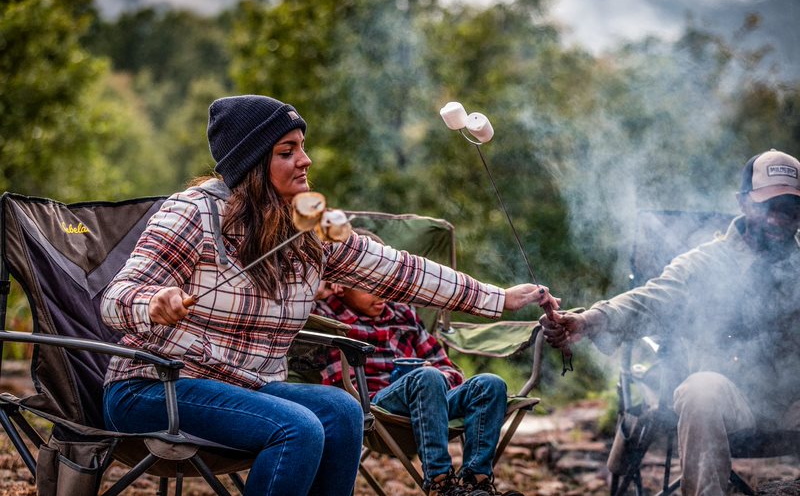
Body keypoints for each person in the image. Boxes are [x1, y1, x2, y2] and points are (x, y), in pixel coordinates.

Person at [100, 94, 560, 496]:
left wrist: (498, 299)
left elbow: (399, 270)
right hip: (156, 385)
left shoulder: (307, 224)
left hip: (249, 387)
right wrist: (153, 302)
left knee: (342, 410)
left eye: (302, 147)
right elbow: (116, 298)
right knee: (298, 428)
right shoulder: (193, 213)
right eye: (288, 151)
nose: (306, 160)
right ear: (252, 164)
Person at [541, 149, 800, 496]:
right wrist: (589, 320)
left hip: (791, 401)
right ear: (744, 203)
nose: (781, 218)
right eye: (770, 207)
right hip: (731, 399)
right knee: (700, 391)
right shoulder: (706, 263)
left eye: (791, 208)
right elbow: (650, 300)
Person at [313, 229, 526, 496]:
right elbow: (295, 293)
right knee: (426, 378)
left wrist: (437, 379)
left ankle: (476, 481)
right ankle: (441, 484)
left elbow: (446, 367)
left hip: (430, 401)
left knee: (490, 384)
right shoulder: (323, 312)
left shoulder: (403, 313)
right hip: (372, 405)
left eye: (385, 284)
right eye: (369, 285)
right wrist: (322, 283)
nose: (381, 293)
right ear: (340, 284)